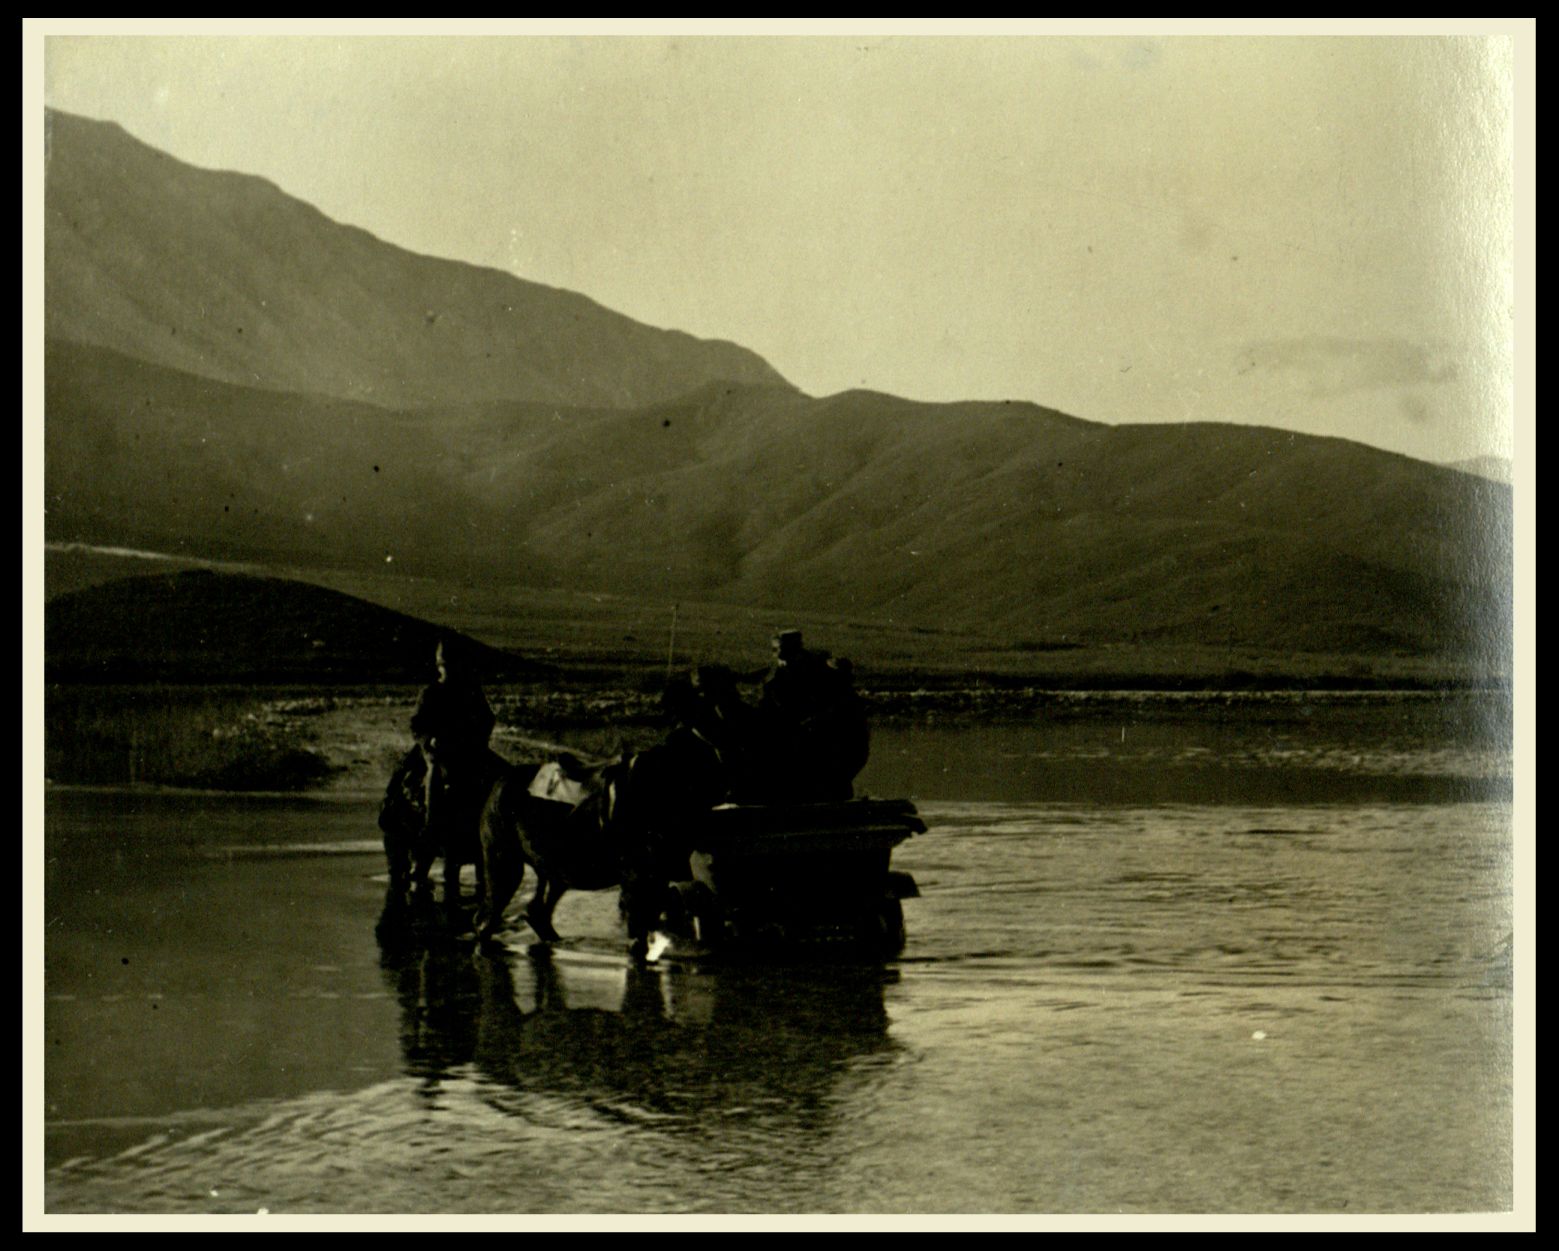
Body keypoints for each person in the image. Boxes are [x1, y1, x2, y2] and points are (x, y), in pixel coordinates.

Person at [410, 637, 497, 881]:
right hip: (440, 757)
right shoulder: (430, 693)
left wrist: (476, 739)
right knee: (434, 807)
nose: (447, 670)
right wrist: (430, 741)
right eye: (444, 666)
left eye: (451, 666)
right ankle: (422, 863)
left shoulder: (471, 690)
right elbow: (417, 725)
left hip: (472, 754)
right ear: (439, 667)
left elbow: (487, 719)